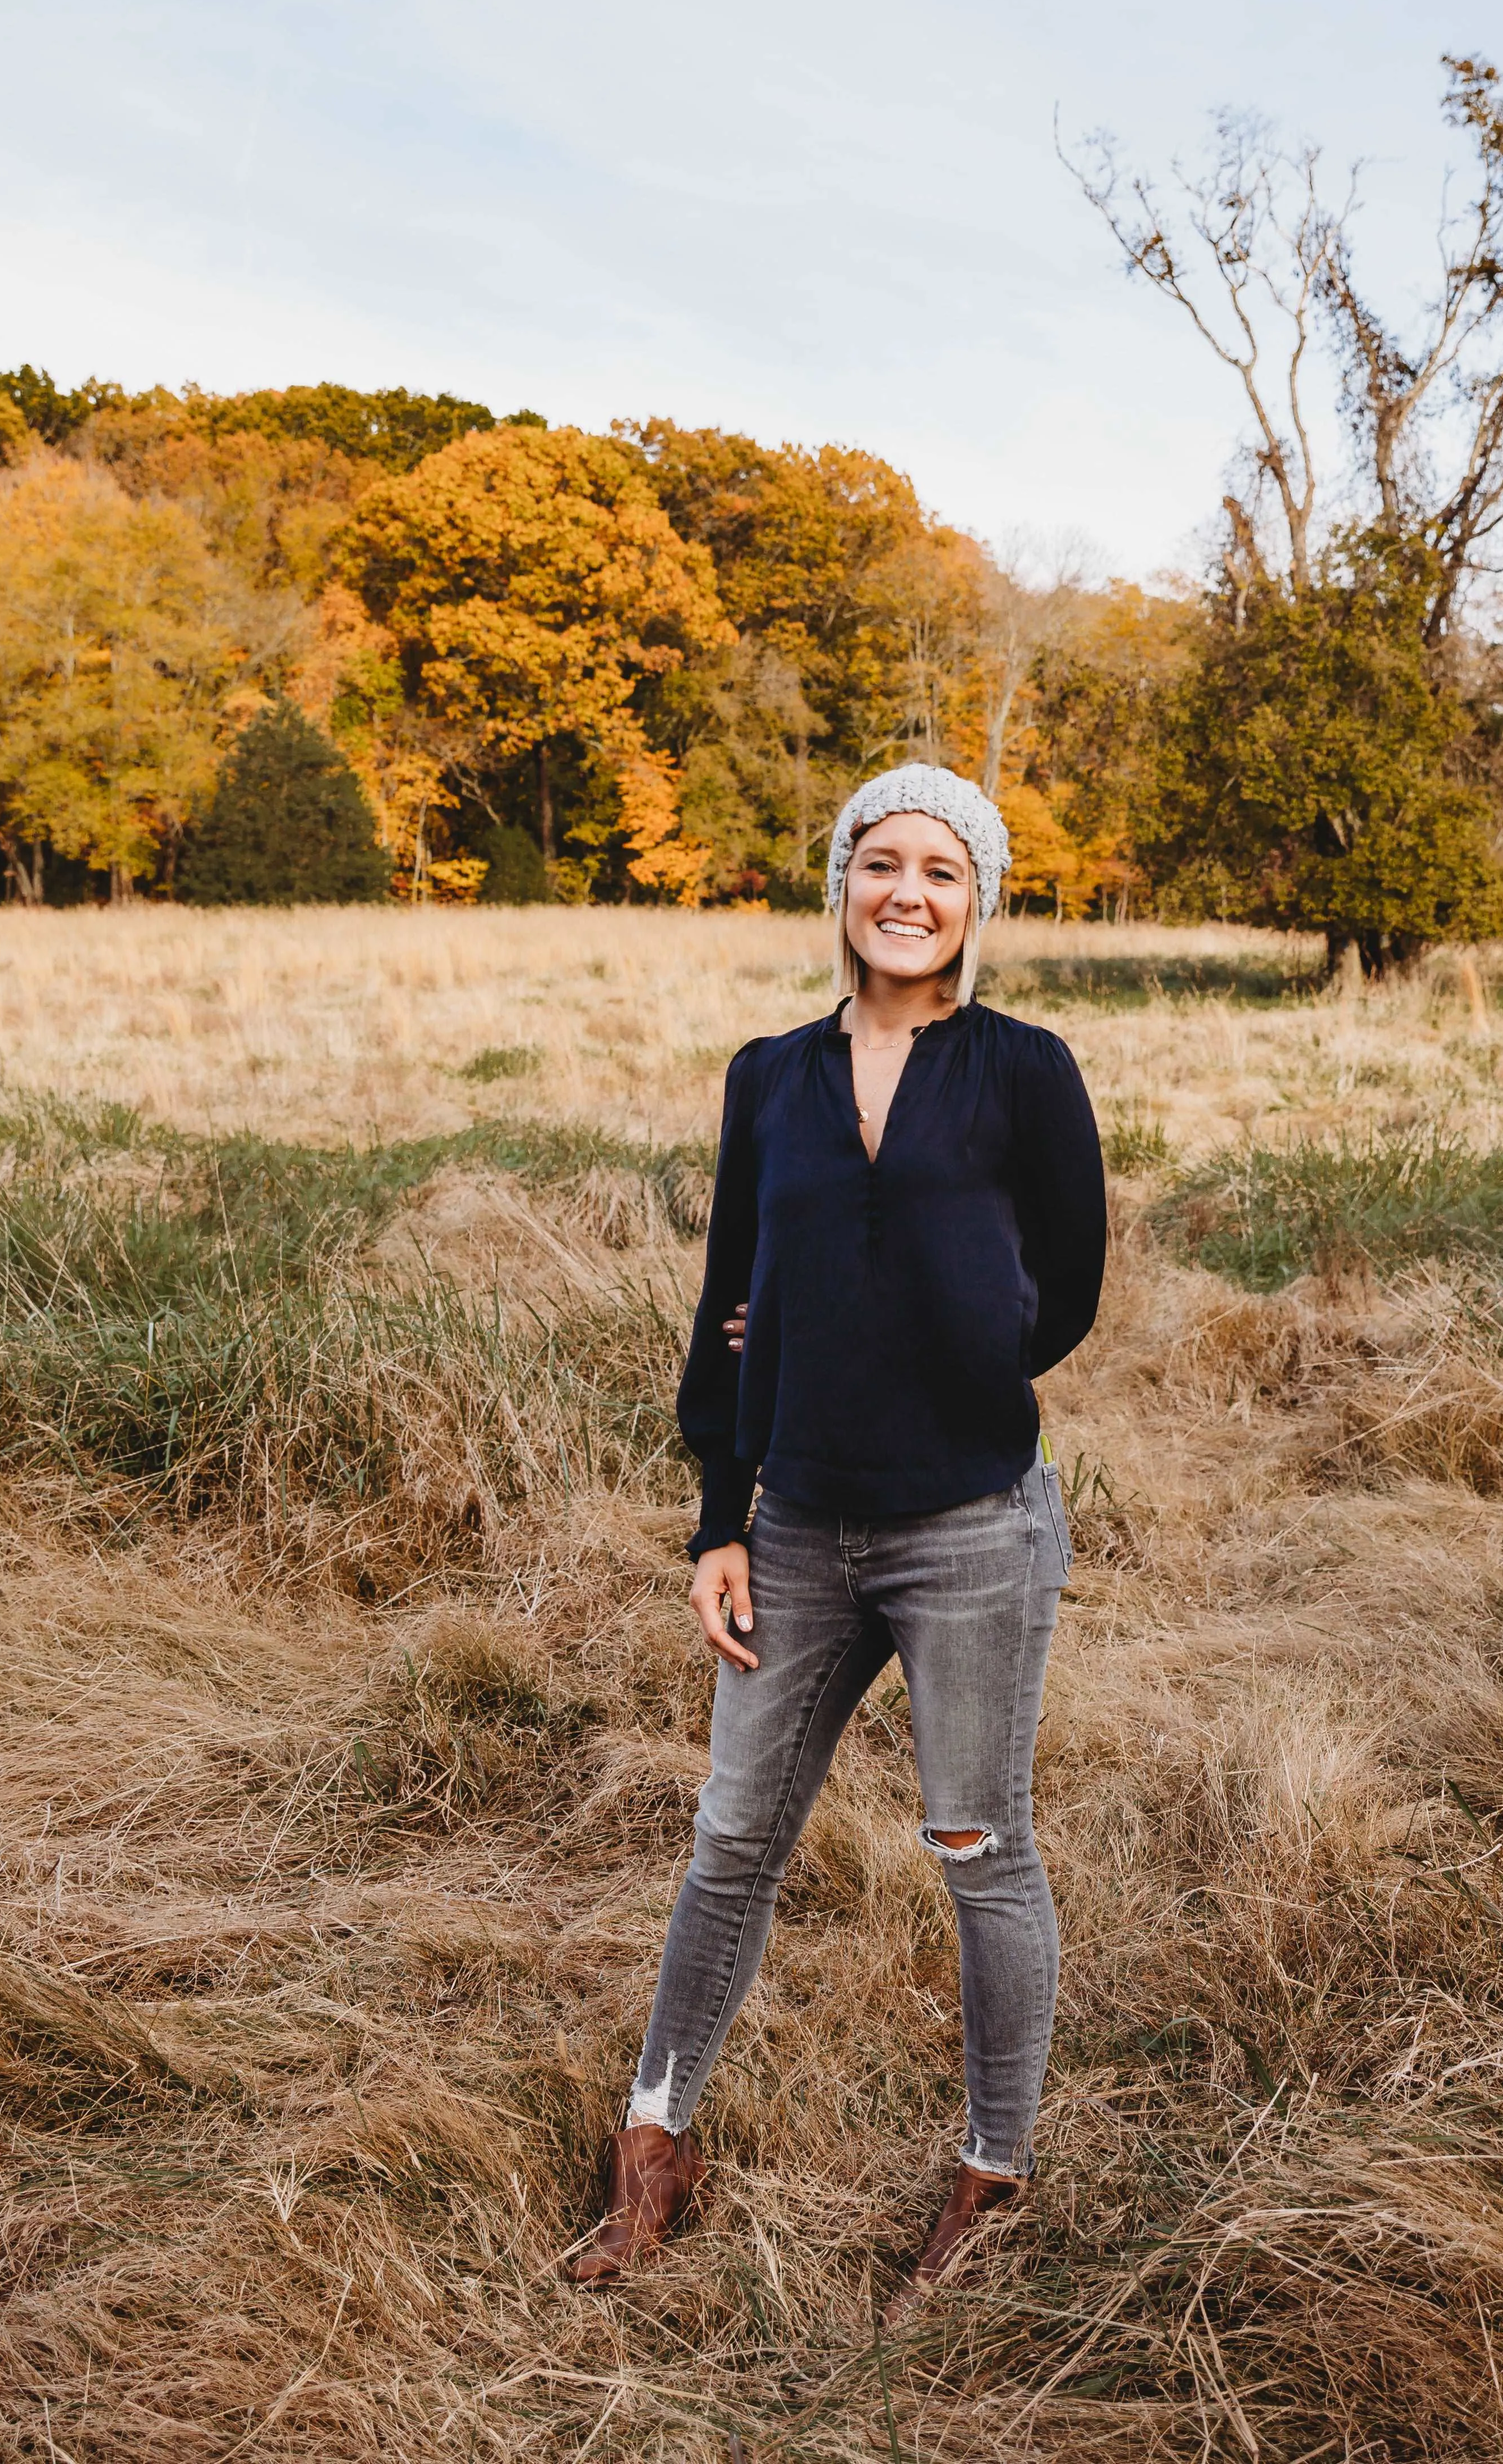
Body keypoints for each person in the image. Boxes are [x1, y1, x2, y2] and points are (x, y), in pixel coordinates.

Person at [564, 764, 1107, 2311]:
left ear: (976, 900)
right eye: (883, 863)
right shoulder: (772, 1076)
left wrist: (965, 1339)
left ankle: (991, 2168)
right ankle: (656, 2148)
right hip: (795, 1525)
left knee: (976, 1846)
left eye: (942, 869)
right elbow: (728, 1300)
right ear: (844, 886)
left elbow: (1067, 1279)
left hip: (969, 1532)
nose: (909, 894)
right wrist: (718, 1516)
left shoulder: (1023, 1070)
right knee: (732, 1836)